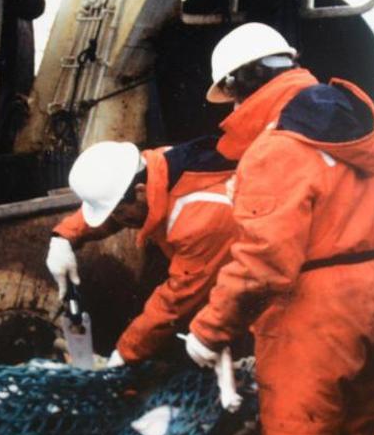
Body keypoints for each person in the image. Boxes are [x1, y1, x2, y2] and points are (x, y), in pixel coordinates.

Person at [183, 23, 374, 435]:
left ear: (238, 82)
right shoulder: (354, 127)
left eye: (232, 96)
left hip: (316, 314)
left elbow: (263, 264)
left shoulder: (276, 147)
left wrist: (208, 330)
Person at [46, 137, 238, 366]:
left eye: (118, 213)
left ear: (139, 191)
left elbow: (176, 301)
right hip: (207, 262)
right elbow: (117, 209)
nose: (116, 220)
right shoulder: (152, 167)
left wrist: (126, 353)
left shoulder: (201, 216)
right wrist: (64, 237)